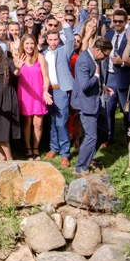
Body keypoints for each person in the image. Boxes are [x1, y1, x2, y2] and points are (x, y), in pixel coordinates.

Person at [72, 37, 114, 175]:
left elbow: (92, 79)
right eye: (105, 55)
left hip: (96, 101)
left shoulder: (94, 59)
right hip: (87, 103)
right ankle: (80, 168)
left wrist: (102, 86)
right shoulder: (84, 60)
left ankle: (88, 158)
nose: (105, 58)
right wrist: (96, 77)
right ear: (97, 50)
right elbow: (84, 85)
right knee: (92, 136)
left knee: (103, 131)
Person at [42, 21, 76, 168]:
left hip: (60, 89)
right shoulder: (43, 54)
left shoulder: (64, 51)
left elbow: (72, 40)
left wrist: (65, 24)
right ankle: (54, 147)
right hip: (48, 91)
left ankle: (65, 153)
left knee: (62, 122)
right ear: (47, 40)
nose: (54, 42)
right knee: (52, 121)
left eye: (56, 39)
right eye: (51, 40)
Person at [102, 9, 130, 147]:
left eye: (120, 21)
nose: (117, 23)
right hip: (109, 76)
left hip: (125, 77)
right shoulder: (109, 35)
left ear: (126, 22)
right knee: (108, 109)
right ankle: (108, 137)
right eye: (115, 21)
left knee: (126, 110)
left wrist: (123, 62)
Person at [14, 34, 51, 161]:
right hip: (25, 95)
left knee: (38, 123)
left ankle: (36, 148)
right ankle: (28, 148)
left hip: (39, 94)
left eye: (32, 43)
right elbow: (15, 75)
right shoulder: (18, 58)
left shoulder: (40, 57)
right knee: (27, 122)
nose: (29, 46)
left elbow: (46, 77)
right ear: (22, 45)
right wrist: (18, 68)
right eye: (27, 44)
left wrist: (45, 91)